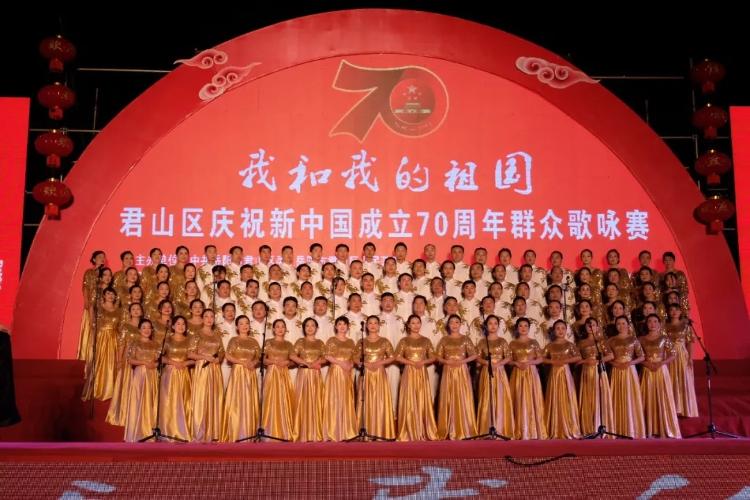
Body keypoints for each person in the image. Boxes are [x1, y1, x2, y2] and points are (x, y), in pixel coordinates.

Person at [394, 315, 438, 441]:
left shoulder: (426, 340)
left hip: (421, 372)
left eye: (418, 322)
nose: (416, 325)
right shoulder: (404, 341)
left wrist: (422, 362)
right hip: (409, 371)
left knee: (422, 398)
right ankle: (408, 430)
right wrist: (411, 363)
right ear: (408, 325)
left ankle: (423, 429)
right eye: (413, 323)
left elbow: (433, 357)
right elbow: (397, 356)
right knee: (409, 399)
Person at [435, 314, 478, 440]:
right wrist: (446, 361)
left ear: (460, 324)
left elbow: (474, 355)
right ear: (448, 325)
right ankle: (448, 428)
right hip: (448, 370)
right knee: (447, 397)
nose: (454, 325)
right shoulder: (444, 340)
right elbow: (437, 356)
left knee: (462, 397)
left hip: (462, 371)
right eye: (452, 322)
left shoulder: (465, 339)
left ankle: (464, 428)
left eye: (457, 322)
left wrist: (462, 361)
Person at [640, 314, 681, 438]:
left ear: (659, 324)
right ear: (646, 324)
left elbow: (673, 354)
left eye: (655, 321)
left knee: (662, 398)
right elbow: (637, 356)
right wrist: (646, 363)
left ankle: (664, 427)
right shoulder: (641, 339)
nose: (652, 324)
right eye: (650, 321)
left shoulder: (664, 338)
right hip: (647, 371)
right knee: (647, 398)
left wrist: (661, 363)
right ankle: (648, 429)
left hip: (660, 370)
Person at [354, 316, 396, 440]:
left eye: (375, 323)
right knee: (365, 400)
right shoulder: (362, 341)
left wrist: (380, 362)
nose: (373, 325)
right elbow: (355, 358)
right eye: (370, 323)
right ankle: (365, 431)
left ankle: (381, 432)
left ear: (379, 325)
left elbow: (392, 357)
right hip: (366, 373)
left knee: (380, 401)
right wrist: (365, 364)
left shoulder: (384, 341)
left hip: (379, 373)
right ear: (366, 326)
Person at [221, 315, 261, 442]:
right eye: (241, 323)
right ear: (237, 327)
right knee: (237, 401)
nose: (244, 326)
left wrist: (253, 363)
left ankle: (249, 432)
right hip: (238, 372)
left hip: (250, 373)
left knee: (249, 401)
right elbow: (228, 355)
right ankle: (235, 432)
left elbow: (258, 357)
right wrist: (242, 363)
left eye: (246, 323)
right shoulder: (233, 340)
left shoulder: (254, 341)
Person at [188, 309, 225, 443]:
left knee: (214, 398)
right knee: (201, 398)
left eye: (211, 317)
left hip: (215, 369)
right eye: (206, 316)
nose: (209, 319)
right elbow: (190, 353)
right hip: (202, 368)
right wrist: (205, 357)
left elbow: (221, 352)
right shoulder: (197, 334)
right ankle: (200, 432)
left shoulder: (217, 335)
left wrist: (218, 359)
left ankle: (213, 432)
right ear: (202, 318)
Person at [607, 316, 646, 438]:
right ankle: (617, 429)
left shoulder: (633, 339)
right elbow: (608, 358)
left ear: (628, 325)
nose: (621, 326)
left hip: (630, 370)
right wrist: (615, 363)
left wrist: (630, 363)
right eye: (618, 324)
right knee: (617, 397)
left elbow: (642, 357)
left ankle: (633, 429)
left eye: (623, 323)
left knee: (630, 396)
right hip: (616, 370)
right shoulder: (611, 340)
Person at [475, 315, 514, 438]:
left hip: (500, 371)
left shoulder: (502, 341)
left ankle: (501, 427)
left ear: (498, 326)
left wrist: (498, 364)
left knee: (500, 397)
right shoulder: (482, 342)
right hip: (487, 371)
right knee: (487, 397)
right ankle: (486, 427)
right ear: (486, 326)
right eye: (490, 323)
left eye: (495, 323)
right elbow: (477, 357)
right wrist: (487, 363)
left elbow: (508, 356)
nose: (493, 326)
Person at [542, 320, 582, 439]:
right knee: (554, 397)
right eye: (557, 328)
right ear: (554, 331)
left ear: (566, 330)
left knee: (567, 397)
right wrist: (553, 361)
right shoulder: (550, 346)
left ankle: (569, 426)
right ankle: (554, 427)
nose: (560, 331)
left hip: (565, 373)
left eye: (563, 328)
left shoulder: (570, 345)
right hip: (554, 374)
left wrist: (565, 361)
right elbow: (542, 358)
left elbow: (578, 357)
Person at [576, 318, 615, 436]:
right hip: (587, 372)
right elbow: (577, 360)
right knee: (588, 398)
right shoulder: (581, 343)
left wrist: (597, 361)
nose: (590, 327)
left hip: (599, 370)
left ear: (597, 327)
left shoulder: (601, 342)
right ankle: (588, 427)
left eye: (593, 325)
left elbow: (611, 356)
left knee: (600, 396)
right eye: (588, 325)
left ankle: (601, 425)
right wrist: (586, 361)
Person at [509, 318, 546, 440]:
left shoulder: (534, 342)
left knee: (532, 398)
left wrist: (530, 363)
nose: (523, 328)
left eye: (526, 326)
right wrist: (516, 363)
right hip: (517, 372)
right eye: (520, 326)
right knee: (518, 398)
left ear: (529, 328)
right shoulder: (512, 344)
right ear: (517, 328)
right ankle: (519, 429)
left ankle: (533, 429)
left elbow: (540, 358)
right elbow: (508, 360)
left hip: (531, 373)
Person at [290, 318, 327, 442]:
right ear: (304, 328)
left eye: (312, 325)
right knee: (302, 402)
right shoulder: (300, 341)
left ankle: (316, 433)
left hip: (316, 375)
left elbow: (325, 357)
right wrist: (307, 364)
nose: (310, 328)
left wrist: (317, 362)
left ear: (316, 328)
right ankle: (301, 432)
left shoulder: (320, 343)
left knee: (316, 401)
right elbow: (292, 355)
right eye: (307, 326)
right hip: (304, 373)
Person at [123, 319, 160, 442]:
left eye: (149, 327)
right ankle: (137, 431)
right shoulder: (134, 343)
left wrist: (154, 365)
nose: (147, 330)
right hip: (140, 374)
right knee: (139, 400)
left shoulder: (156, 344)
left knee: (151, 401)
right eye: (144, 327)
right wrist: (144, 362)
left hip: (153, 375)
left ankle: (150, 430)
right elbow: (130, 360)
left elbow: (158, 360)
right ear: (139, 330)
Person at [159, 316, 194, 442]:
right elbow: (160, 357)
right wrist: (173, 362)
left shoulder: (190, 340)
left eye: (183, 324)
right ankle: (168, 430)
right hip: (170, 373)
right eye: (178, 324)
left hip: (184, 374)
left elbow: (194, 359)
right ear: (173, 326)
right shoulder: (167, 340)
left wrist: (184, 363)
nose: (181, 326)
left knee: (184, 401)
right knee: (169, 401)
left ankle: (183, 431)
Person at [261, 319, 297, 441]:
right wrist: (274, 362)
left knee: (284, 401)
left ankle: (284, 432)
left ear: (285, 329)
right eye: (277, 326)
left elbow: (293, 361)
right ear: (273, 329)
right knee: (270, 400)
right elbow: (263, 360)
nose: (280, 329)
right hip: (271, 373)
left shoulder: (289, 344)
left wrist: (287, 362)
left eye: (282, 326)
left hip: (284, 374)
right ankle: (268, 431)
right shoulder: (268, 342)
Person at [323, 317, 357, 441]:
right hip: (335, 371)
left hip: (347, 372)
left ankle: (346, 431)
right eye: (339, 324)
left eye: (344, 324)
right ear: (336, 326)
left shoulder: (351, 342)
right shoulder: (331, 340)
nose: (342, 326)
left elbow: (354, 358)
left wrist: (350, 365)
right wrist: (341, 363)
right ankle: (333, 431)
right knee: (334, 399)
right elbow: (327, 356)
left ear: (348, 327)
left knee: (346, 399)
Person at [664, 304, 698, 418]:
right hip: (669, 354)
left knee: (683, 378)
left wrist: (690, 358)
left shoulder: (685, 326)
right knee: (671, 378)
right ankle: (673, 409)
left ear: (680, 312)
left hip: (682, 354)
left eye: (676, 310)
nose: (674, 312)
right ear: (668, 312)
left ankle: (685, 409)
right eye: (671, 310)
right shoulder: (665, 326)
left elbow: (689, 343)